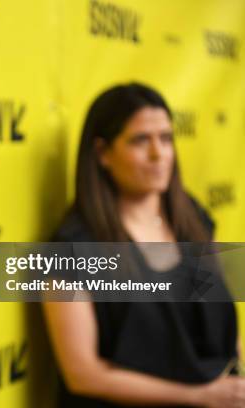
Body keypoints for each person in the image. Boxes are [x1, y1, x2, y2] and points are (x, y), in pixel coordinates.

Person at [43, 83, 244, 407]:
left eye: (166, 138)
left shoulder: (194, 216)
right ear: (102, 153)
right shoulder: (71, 249)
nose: (158, 154)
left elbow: (226, 316)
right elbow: (82, 374)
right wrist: (199, 397)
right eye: (140, 140)